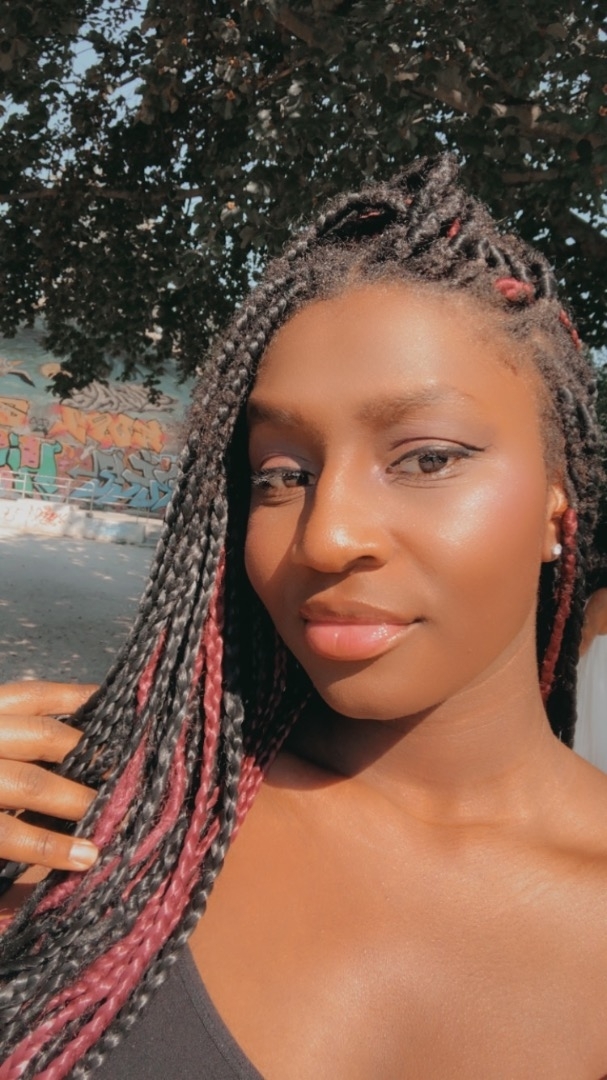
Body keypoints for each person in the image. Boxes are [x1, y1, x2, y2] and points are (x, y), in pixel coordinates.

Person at [1, 154, 607, 1079]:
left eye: (428, 458)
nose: (325, 538)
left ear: (557, 506)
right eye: (281, 475)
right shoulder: (109, 820)